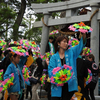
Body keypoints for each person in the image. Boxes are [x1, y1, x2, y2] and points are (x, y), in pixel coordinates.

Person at [48, 34, 86, 100]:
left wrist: (84, 35)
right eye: (64, 41)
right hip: (57, 85)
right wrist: (59, 75)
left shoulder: (71, 52)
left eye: (66, 42)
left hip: (69, 85)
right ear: (58, 43)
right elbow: (51, 70)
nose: (66, 43)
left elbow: (80, 46)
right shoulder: (53, 57)